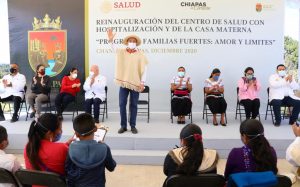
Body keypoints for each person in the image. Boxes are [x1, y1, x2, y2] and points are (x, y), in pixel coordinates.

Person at [107, 28, 148, 134]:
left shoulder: (140, 54)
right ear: (127, 42)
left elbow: (144, 69)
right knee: (122, 104)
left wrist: (142, 82)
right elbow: (113, 48)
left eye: (134, 41)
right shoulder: (121, 52)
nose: (132, 43)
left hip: (135, 83)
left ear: (136, 43)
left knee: (134, 104)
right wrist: (111, 40)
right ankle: (123, 125)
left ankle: (133, 125)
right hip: (124, 82)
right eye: (130, 41)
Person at [65, 113, 116, 187]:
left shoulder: (71, 148)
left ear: (76, 133)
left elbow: (68, 170)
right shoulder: (104, 148)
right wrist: (104, 146)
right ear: (95, 129)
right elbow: (111, 167)